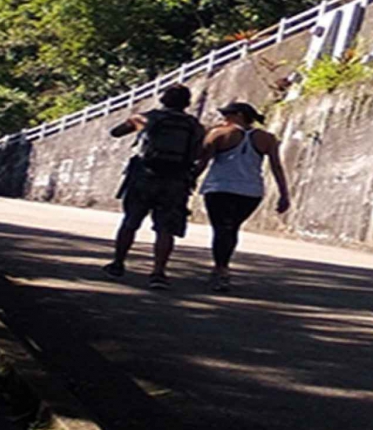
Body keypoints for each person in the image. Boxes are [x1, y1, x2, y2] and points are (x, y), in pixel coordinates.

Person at [102, 84, 205, 289]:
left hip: (144, 176)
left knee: (130, 221)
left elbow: (116, 132)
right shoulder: (194, 125)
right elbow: (198, 153)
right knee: (165, 229)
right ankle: (158, 272)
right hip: (176, 180)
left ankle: (118, 263)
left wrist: (134, 121)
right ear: (187, 102)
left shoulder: (148, 117)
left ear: (163, 99)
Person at [198, 101, 291, 292]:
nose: (224, 118)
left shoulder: (219, 134)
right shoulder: (267, 138)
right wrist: (284, 194)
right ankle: (222, 268)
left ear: (239, 115)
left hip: (219, 188)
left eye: (227, 114)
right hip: (250, 192)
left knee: (221, 229)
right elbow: (276, 167)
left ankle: (221, 270)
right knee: (231, 228)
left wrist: (188, 180)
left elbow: (203, 161)